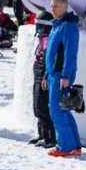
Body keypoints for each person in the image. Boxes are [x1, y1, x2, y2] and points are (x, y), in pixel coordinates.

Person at [45, 0, 82, 158]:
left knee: (56, 110)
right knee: (64, 108)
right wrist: (47, 74)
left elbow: (70, 53)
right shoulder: (57, 24)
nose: (53, 9)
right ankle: (74, 145)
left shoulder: (68, 26)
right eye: (52, 6)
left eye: (57, 6)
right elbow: (51, 53)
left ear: (65, 7)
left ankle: (65, 146)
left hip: (61, 75)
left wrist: (66, 76)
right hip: (54, 74)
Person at [30, 11, 56, 148]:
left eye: (40, 26)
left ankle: (50, 137)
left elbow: (51, 60)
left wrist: (46, 75)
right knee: (36, 105)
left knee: (42, 106)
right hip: (38, 70)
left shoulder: (50, 39)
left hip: (44, 72)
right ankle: (41, 133)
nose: (38, 29)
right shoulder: (41, 38)